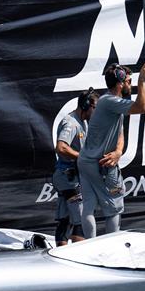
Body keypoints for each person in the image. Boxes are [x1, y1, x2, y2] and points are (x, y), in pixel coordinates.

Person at [78, 63, 145, 238]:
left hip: (86, 161)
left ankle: (89, 248)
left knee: (88, 205)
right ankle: (110, 249)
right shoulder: (110, 101)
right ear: (120, 83)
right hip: (100, 163)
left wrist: (118, 152)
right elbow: (142, 107)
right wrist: (142, 82)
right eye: (129, 81)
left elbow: (120, 133)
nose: (130, 84)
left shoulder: (107, 103)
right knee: (114, 208)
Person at [52, 88, 99, 246]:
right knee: (81, 220)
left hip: (66, 176)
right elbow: (61, 147)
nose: (97, 112)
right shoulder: (71, 123)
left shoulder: (81, 122)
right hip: (68, 177)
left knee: (65, 220)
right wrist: (83, 158)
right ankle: (81, 259)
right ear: (87, 105)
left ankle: (60, 258)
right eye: (95, 107)